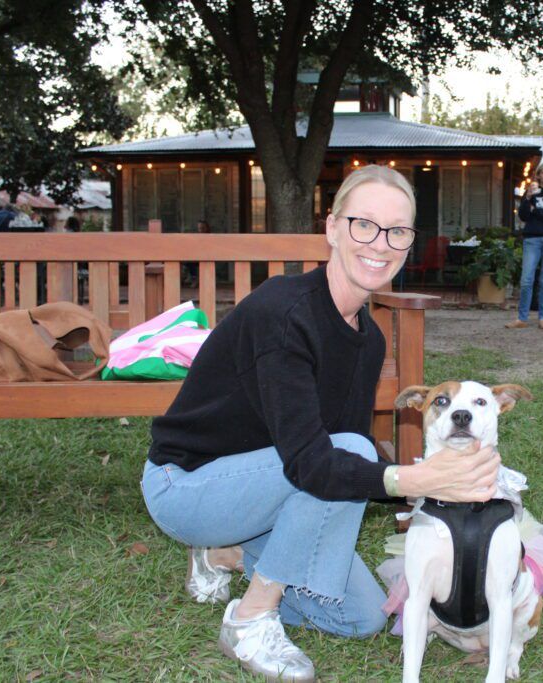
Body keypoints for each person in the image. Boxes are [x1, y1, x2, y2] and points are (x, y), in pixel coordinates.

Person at [141, 165, 500, 682]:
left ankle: (225, 556)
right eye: (364, 224)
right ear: (332, 227)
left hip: (275, 488)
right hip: (189, 485)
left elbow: (336, 461)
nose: (380, 243)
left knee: (362, 616)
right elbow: (320, 462)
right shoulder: (283, 312)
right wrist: (412, 479)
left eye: (397, 230)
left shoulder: (369, 340)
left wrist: (433, 481)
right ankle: (250, 618)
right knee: (347, 453)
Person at [506, 162, 543, 330]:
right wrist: (527, 199)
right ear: (538, 175)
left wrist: (536, 211)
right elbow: (523, 216)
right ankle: (522, 318)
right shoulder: (531, 193)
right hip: (532, 240)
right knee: (526, 280)